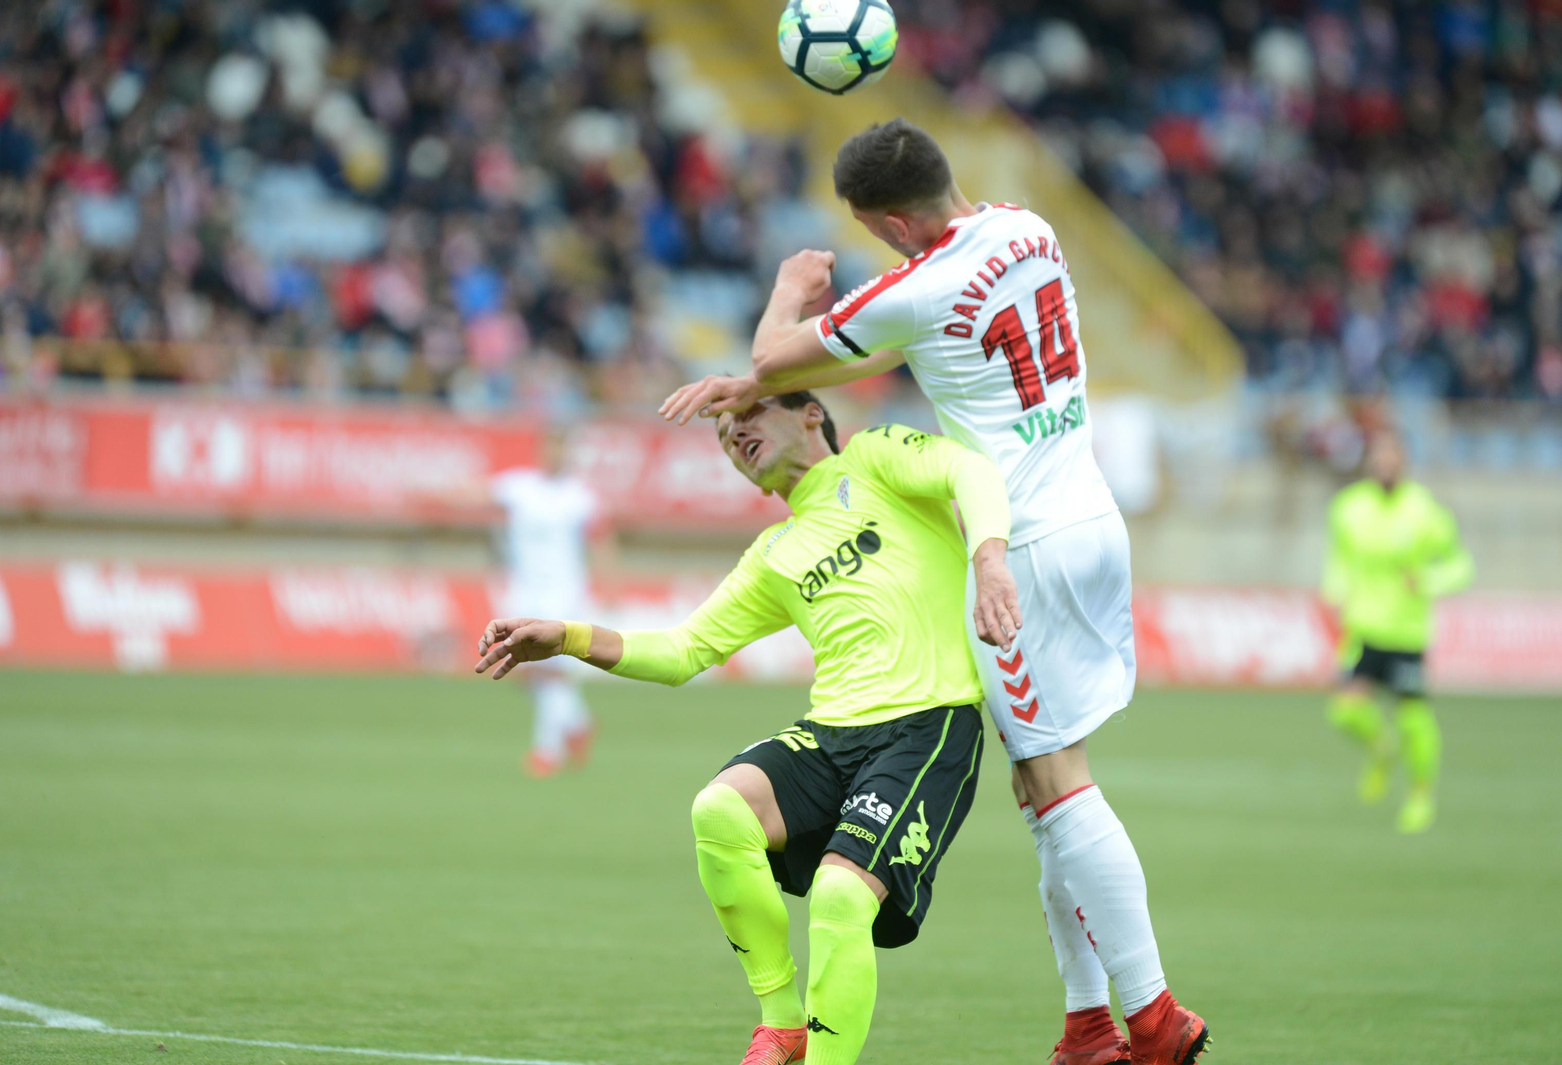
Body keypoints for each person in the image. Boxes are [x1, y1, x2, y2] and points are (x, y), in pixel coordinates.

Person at [661, 118, 1207, 1065]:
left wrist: (791, 289)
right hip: (1089, 515)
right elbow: (856, 362)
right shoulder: (1030, 228)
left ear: (895, 224)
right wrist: (780, 368)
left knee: (1055, 782)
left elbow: (778, 362)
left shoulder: (917, 284)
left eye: (875, 229)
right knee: (1041, 790)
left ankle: (1153, 1016)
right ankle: (1086, 1025)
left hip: (1020, 547)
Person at [475, 391, 1023, 1065]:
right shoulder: (775, 552)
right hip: (832, 731)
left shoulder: (875, 458)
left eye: (749, 418)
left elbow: (973, 471)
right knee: (721, 808)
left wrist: (990, 557)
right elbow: (683, 650)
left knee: (842, 891)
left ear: (810, 414)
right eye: (726, 437)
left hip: (927, 726)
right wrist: (568, 636)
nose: (735, 436)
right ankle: (782, 1017)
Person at [1323, 427, 1473, 834]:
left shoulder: (1426, 513)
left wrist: (1428, 581)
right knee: (1346, 712)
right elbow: (1340, 559)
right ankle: (1380, 749)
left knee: (1413, 720)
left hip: (1407, 633)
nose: (1385, 464)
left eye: (1393, 457)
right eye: (1379, 457)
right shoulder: (1349, 508)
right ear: (1369, 462)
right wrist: (1334, 591)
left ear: (1404, 461)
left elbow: (1461, 566)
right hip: (1364, 628)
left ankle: (1421, 793)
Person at [488, 426, 610, 777]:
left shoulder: (579, 496)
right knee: (523, 671)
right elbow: (478, 493)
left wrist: (609, 582)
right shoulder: (521, 487)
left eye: (562, 448)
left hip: (563, 592)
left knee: (550, 669)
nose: (555, 454)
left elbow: (601, 537)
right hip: (523, 590)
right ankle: (578, 722)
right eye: (551, 447)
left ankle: (547, 751)